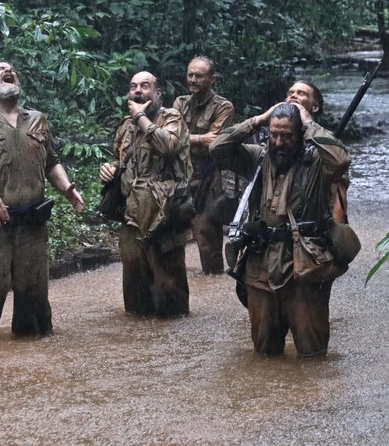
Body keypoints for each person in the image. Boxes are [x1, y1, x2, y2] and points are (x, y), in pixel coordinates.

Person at [0, 62, 85, 340]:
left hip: (34, 226)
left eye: (12, 69)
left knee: (35, 310)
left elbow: (51, 162)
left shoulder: (37, 119)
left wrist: (66, 188)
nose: (8, 70)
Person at [210, 101, 351, 357]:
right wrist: (258, 120)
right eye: (273, 134)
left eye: (286, 136)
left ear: (299, 135)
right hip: (260, 267)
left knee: (313, 356)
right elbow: (217, 147)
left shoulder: (317, 163)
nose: (278, 142)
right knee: (264, 354)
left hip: (305, 269)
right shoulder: (256, 157)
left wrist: (309, 123)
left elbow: (341, 161)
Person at [99, 71, 192, 317]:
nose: (138, 91)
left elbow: (167, 145)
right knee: (135, 289)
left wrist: (140, 116)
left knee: (169, 289)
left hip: (165, 214)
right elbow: (119, 161)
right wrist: (110, 169)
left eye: (145, 86)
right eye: (133, 87)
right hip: (131, 215)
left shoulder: (172, 118)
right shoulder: (125, 127)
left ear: (158, 93)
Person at [171, 56, 234, 274]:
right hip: (180, 176)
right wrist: (199, 139)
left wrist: (186, 140)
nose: (193, 79)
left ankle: (213, 280)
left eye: (199, 76)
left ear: (212, 79)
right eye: (190, 75)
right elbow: (171, 138)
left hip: (209, 178)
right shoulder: (180, 103)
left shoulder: (223, 107)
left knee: (207, 237)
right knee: (171, 236)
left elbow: (214, 142)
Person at [285, 80, 349, 224]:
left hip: (310, 231)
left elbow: (339, 197)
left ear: (315, 107)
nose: (293, 96)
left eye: (301, 93)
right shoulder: (273, 137)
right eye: (290, 93)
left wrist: (336, 239)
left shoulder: (326, 142)